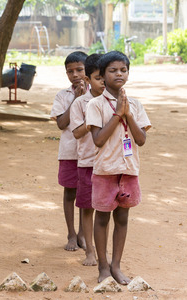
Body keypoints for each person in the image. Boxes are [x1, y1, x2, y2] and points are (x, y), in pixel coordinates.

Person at [85, 51, 151, 284]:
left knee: (122, 218)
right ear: (102, 76)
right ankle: (103, 267)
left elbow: (141, 139)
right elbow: (98, 139)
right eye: (113, 70)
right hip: (105, 171)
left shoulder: (135, 104)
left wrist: (128, 113)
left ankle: (116, 265)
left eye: (123, 70)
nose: (119, 74)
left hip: (129, 170)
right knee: (102, 219)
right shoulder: (95, 105)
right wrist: (117, 114)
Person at [50, 51, 88, 251]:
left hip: (89, 154)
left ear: (87, 69)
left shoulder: (97, 94)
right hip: (69, 153)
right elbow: (61, 123)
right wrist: (76, 99)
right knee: (70, 192)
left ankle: (83, 233)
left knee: (85, 193)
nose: (75, 75)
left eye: (79, 70)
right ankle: (71, 233)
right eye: (70, 71)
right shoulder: (62, 96)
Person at [70, 53, 105, 266]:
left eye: (105, 76)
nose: (103, 81)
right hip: (87, 163)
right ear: (88, 79)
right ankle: (90, 251)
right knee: (87, 207)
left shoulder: (115, 100)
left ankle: (102, 251)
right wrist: (91, 121)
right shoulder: (80, 103)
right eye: (98, 77)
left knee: (106, 209)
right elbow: (76, 133)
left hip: (110, 164)